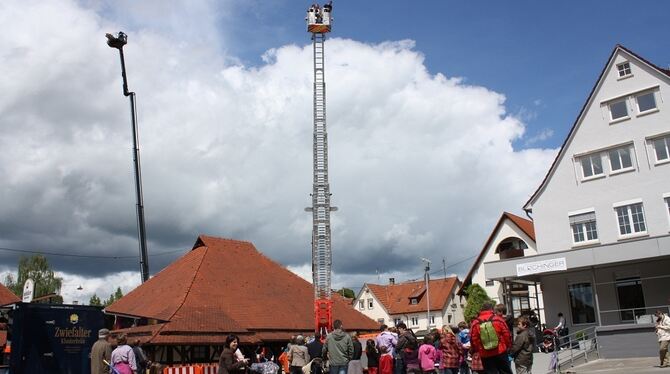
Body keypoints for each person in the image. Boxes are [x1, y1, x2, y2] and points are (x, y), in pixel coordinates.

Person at [470, 303, 512, 374]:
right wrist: (507, 346)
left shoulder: (475, 323)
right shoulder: (498, 319)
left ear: (481, 310)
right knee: (505, 372)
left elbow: (473, 339)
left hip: (485, 354)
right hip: (500, 351)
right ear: (492, 309)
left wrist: (479, 349)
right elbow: (507, 335)